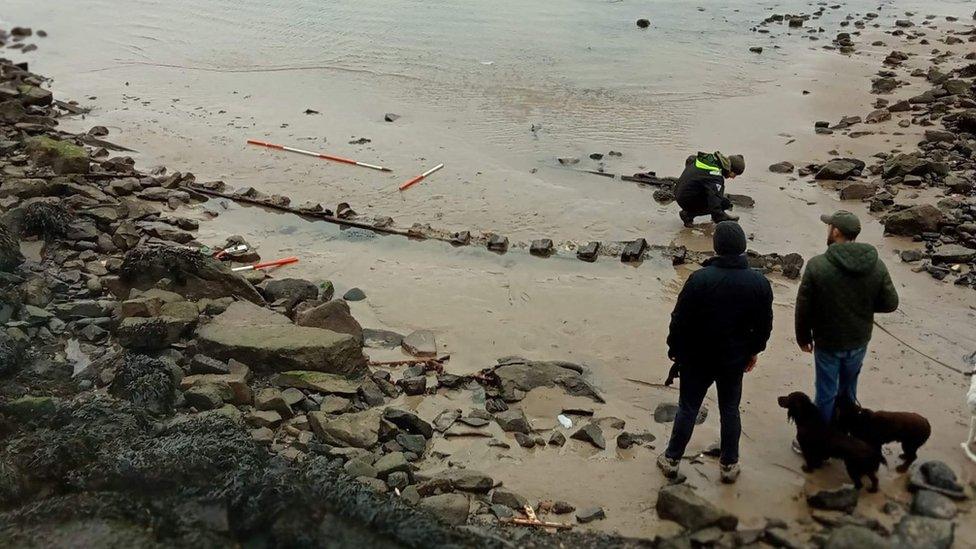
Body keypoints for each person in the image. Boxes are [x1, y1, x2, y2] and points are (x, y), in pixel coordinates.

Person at [657, 221, 774, 483]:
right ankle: (729, 465)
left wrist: (674, 350)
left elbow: (679, 320)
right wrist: (754, 351)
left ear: (716, 247)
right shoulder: (759, 283)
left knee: (688, 407)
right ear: (743, 247)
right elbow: (764, 325)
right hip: (734, 359)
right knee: (730, 409)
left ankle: (672, 459)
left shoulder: (700, 279)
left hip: (696, 357)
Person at [795, 210, 899, 432]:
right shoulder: (876, 265)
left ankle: (821, 438)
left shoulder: (817, 265)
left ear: (836, 231)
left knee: (825, 392)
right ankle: (845, 431)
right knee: (848, 390)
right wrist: (864, 307)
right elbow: (891, 303)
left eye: (829, 226)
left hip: (828, 342)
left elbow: (804, 308)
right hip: (858, 340)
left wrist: (803, 338)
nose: (827, 229)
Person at [675, 151, 746, 227]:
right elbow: (715, 203)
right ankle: (688, 215)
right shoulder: (715, 176)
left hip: (678, 191)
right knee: (723, 203)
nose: (733, 178)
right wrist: (722, 219)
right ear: (730, 168)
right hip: (686, 200)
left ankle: (690, 211)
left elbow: (690, 159)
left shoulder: (709, 160)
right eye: (734, 174)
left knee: (723, 201)